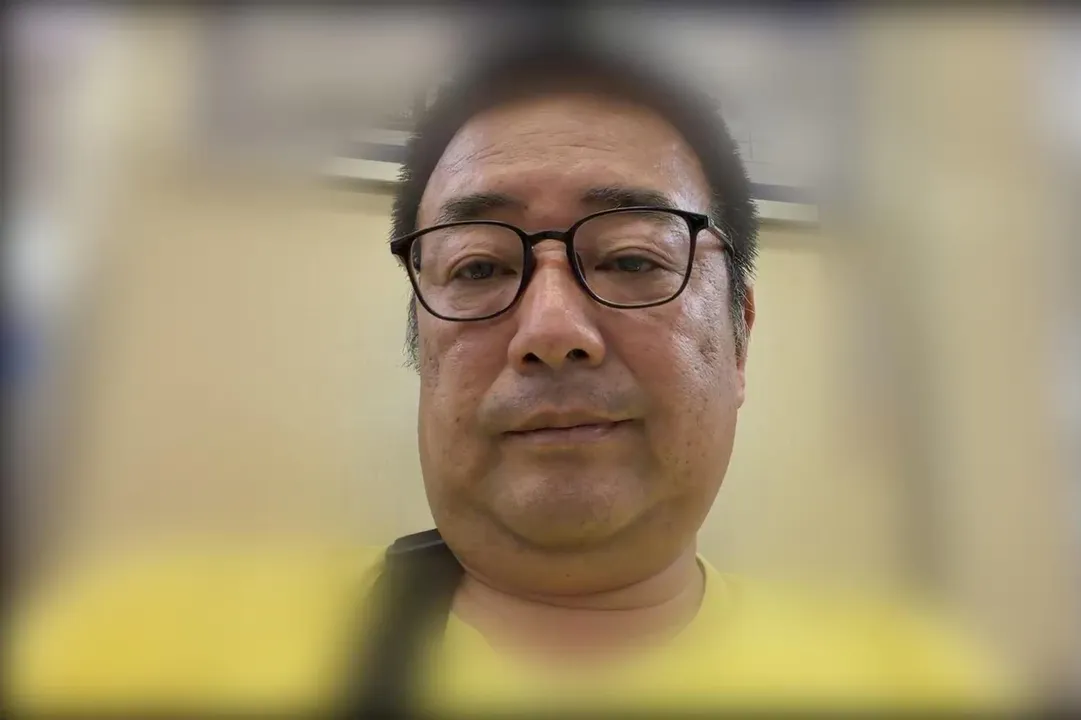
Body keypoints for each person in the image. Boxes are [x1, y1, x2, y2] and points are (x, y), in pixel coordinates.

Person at [6, 34, 1019, 716]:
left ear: (740, 337)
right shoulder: (134, 652)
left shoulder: (912, 683)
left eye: (630, 257)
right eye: (481, 268)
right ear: (421, 346)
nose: (550, 329)